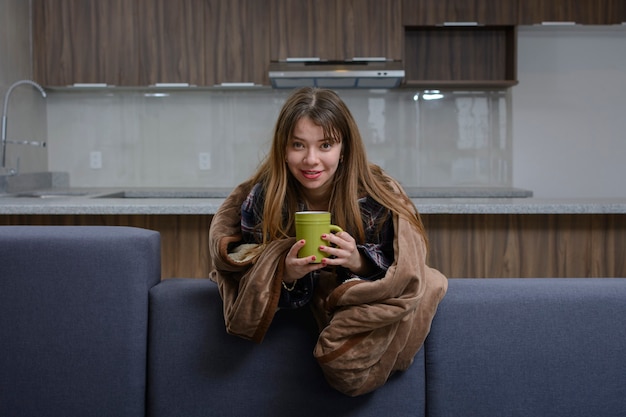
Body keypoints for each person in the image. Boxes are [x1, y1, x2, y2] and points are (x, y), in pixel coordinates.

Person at [209, 87, 447, 397]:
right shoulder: (264, 198)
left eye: (326, 145)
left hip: (357, 306)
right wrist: (284, 272)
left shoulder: (374, 196)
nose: (311, 160)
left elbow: (403, 267)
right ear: (283, 149)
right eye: (298, 145)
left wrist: (357, 260)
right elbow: (247, 270)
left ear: (344, 149)